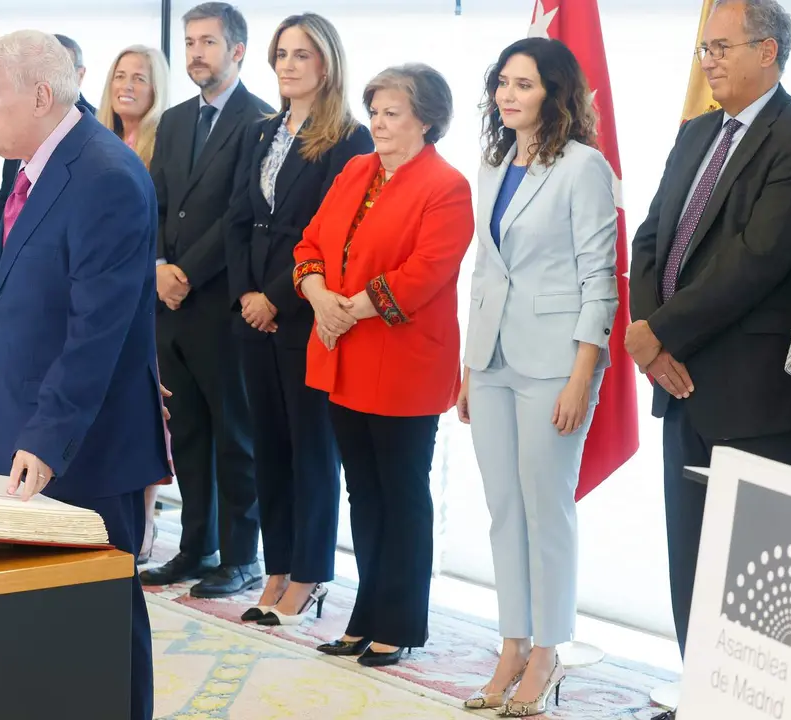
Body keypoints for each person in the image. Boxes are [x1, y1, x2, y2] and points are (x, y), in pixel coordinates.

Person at [0, 29, 170, 720]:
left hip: (83, 442)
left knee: (104, 615)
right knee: (44, 609)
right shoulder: (26, 167)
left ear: (39, 95)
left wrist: (47, 437)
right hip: (30, 425)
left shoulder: (105, 176)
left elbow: (97, 331)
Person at [626, 0, 791, 680]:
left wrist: (658, 334)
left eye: (724, 47)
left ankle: (748, 702)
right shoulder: (697, 133)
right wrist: (648, 338)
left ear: (768, 52)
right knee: (691, 561)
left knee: (758, 582)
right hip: (681, 385)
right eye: (706, 48)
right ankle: (699, 692)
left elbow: (755, 260)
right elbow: (651, 240)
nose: (710, 59)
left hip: (759, 402)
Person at [457, 37, 617, 716]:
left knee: (545, 510)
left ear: (554, 93)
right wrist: (468, 366)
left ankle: (549, 652)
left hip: (554, 361)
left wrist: (585, 372)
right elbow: (485, 273)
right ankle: (512, 643)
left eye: (524, 84)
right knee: (503, 512)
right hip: (490, 360)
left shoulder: (584, 167)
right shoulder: (494, 164)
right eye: (502, 83)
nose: (508, 95)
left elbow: (598, 279)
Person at [294, 63, 473, 667]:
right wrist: (321, 299)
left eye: (391, 113)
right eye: (374, 112)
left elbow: (425, 272)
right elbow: (310, 243)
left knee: (401, 494)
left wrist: (352, 308)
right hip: (343, 355)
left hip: (403, 365)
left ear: (426, 120)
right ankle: (364, 615)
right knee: (363, 494)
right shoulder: (354, 169)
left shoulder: (446, 186)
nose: (377, 123)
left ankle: (398, 622)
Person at [224, 12, 371, 626]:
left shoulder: (351, 139)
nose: (287, 64)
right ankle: (276, 565)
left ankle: (309, 574)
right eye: (281, 53)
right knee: (269, 447)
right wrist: (244, 296)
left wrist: (277, 299)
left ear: (327, 63)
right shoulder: (261, 130)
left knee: (312, 448)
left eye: (301, 54)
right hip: (251, 310)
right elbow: (234, 218)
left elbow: (334, 237)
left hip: (307, 312)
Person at [140, 1, 273, 599]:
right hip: (171, 306)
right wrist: (161, 268)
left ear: (237, 51)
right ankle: (197, 547)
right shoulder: (171, 121)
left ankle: (242, 556)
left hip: (222, 304)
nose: (196, 52)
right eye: (190, 42)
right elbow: (158, 204)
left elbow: (239, 215)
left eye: (208, 43)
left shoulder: (260, 120)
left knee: (234, 435)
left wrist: (186, 271)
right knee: (187, 431)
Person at [95, 43, 172, 562]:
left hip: (155, 298)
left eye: (139, 78)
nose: (127, 85)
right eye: (120, 75)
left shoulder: (165, 142)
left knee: (152, 415)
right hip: (104, 299)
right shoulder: (95, 140)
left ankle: (144, 527)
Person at [0, 33, 95, 249]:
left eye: (57, 71)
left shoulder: (95, 127)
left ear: (79, 74)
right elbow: (7, 195)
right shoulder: (21, 121)